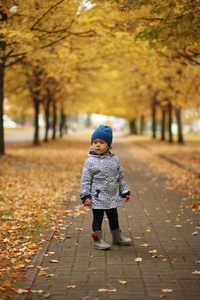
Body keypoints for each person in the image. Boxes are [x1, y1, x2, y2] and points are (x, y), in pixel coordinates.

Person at [80, 125, 132, 250]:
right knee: (97, 219)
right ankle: (97, 240)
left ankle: (117, 237)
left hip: (112, 196)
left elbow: (120, 176)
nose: (97, 145)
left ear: (109, 145)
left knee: (114, 217)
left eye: (102, 142)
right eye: (95, 142)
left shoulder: (114, 159)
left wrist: (125, 191)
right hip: (97, 196)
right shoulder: (90, 162)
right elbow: (85, 180)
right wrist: (85, 195)